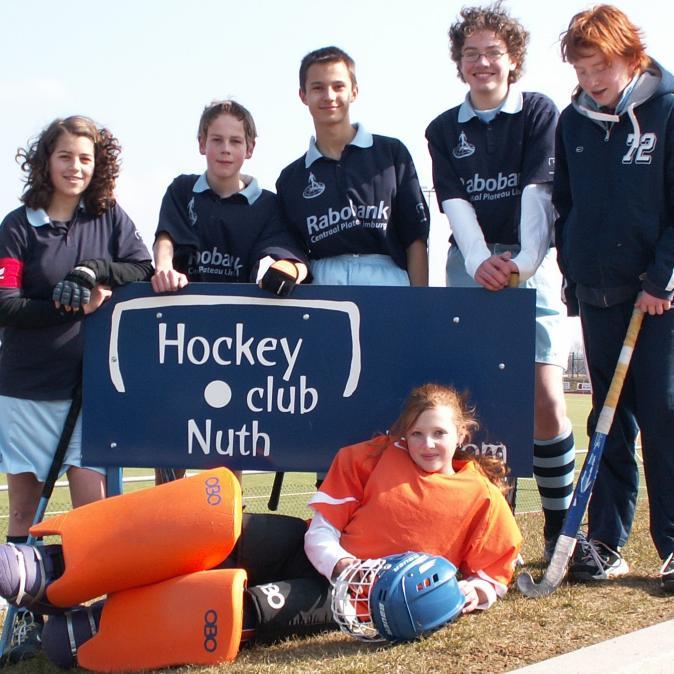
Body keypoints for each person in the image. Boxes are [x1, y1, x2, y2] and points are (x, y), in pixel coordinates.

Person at [0, 383, 521, 669]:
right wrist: (343, 564)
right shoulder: (372, 458)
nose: (430, 444)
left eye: (440, 434)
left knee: (248, 603)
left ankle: (100, 628)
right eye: (420, 433)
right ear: (403, 435)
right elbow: (321, 530)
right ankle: (52, 565)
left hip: (356, 600)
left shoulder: (481, 497)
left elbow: (492, 576)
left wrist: (465, 596)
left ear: (462, 435)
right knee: (218, 524)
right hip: (323, 556)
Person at [425, 2, 576, 561]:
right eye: (471, 54)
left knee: (544, 399)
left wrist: (523, 264)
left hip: (529, 266)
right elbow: (456, 204)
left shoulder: (539, 111)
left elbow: (539, 194)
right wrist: (483, 259)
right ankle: (490, 530)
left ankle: (562, 535)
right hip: (471, 266)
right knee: (476, 402)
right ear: (459, 63)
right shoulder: (443, 128)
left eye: (493, 52)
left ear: (513, 60)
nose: (482, 62)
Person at [0, 115, 153, 661]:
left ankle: (101, 615)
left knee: (92, 511)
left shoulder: (108, 217)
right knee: (25, 514)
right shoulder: (18, 225)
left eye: (85, 159)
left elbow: (142, 267)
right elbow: (6, 304)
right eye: (66, 157)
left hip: (89, 391)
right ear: (47, 161)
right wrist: (63, 306)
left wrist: (93, 271)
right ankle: (23, 619)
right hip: (25, 390)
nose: (76, 168)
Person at [553, 5, 674, 591]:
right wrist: (572, 276)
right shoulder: (573, 122)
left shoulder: (668, 107)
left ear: (631, 56)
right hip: (598, 294)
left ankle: (673, 546)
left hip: (657, 298)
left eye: (601, 67)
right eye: (582, 70)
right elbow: (567, 206)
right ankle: (605, 543)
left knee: (664, 416)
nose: (592, 81)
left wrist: (662, 280)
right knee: (608, 420)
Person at [277, 46, 430, 486]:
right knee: (331, 407)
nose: (329, 96)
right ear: (302, 95)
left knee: (393, 406)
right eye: (318, 87)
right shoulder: (290, 178)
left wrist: (421, 307)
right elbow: (292, 254)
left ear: (355, 91)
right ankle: (332, 523)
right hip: (323, 286)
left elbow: (416, 236)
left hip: (386, 279)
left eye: (338, 86)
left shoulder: (391, 154)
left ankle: (394, 512)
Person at [150, 99, 309, 485]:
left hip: (238, 343)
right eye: (217, 139)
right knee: (171, 445)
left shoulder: (268, 204)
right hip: (181, 335)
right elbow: (167, 238)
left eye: (235, 141)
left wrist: (284, 269)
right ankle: (168, 539)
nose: (225, 149)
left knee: (225, 450)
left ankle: (225, 542)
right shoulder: (183, 189)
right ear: (201, 142)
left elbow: (284, 258)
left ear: (249, 148)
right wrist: (164, 266)